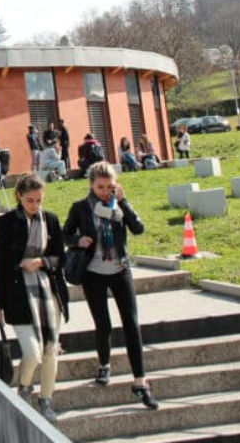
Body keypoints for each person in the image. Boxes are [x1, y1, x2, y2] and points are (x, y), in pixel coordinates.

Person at [62, 161, 159, 410]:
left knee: (131, 324)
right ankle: (104, 364)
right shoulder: (81, 208)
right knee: (103, 323)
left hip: (119, 270)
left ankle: (140, 382)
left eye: (109, 186)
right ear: (91, 185)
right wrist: (77, 240)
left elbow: (138, 228)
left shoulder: (118, 207)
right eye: (100, 187)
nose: (105, 191)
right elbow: (64, 234)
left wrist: (123, 202)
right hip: (93, 272)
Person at [0, 173, 69, 424]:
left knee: (50, 352)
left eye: (39, 200)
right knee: (32, 353)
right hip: (18, 295)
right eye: (30, 201)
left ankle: (46, 400)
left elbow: (61, 258)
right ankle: (24, 388)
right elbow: (0, 265)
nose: (35, 205)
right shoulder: (6, 223)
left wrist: (41, 262)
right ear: (19, 197)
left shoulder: (51, 220)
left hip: (48, 295)